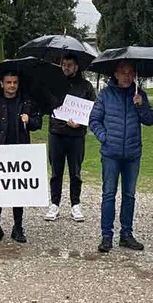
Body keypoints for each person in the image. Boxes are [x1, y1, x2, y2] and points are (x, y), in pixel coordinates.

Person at [89, 61, 153, 254]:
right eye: (123, 72)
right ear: (116, 74)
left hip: (132, 154)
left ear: (134, 75)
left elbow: (150, 120)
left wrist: (141, 107)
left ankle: (126, 234)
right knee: (109, 194)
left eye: (130, 73)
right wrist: (104, 137)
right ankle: (106, 236)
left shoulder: (139, 94)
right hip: (111, 153)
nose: (126, 76)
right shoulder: (105, 95)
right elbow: (94, 120)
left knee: (129, 195)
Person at [0, 69, 42, 243]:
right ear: (1, 84)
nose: (12, 86)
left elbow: (38, 123)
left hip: (20, 153)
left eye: (15, 82)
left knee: (18, 191)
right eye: (8, 82)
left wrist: (29, 120)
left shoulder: (26, 102)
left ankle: (18, 227)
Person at [45, 55, 96, 223]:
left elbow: (92, 109)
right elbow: (49, 106)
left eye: (69, 65)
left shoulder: (86, 86)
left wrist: (81, 122)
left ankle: (76, 204)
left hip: (76, 136)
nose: (66, 67)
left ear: (76, 67)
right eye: (63, 64)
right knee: (56, 172)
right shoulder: (54, 83)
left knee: (75, 172)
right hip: (56, 133)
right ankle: (54, 204)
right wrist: (62, 120)